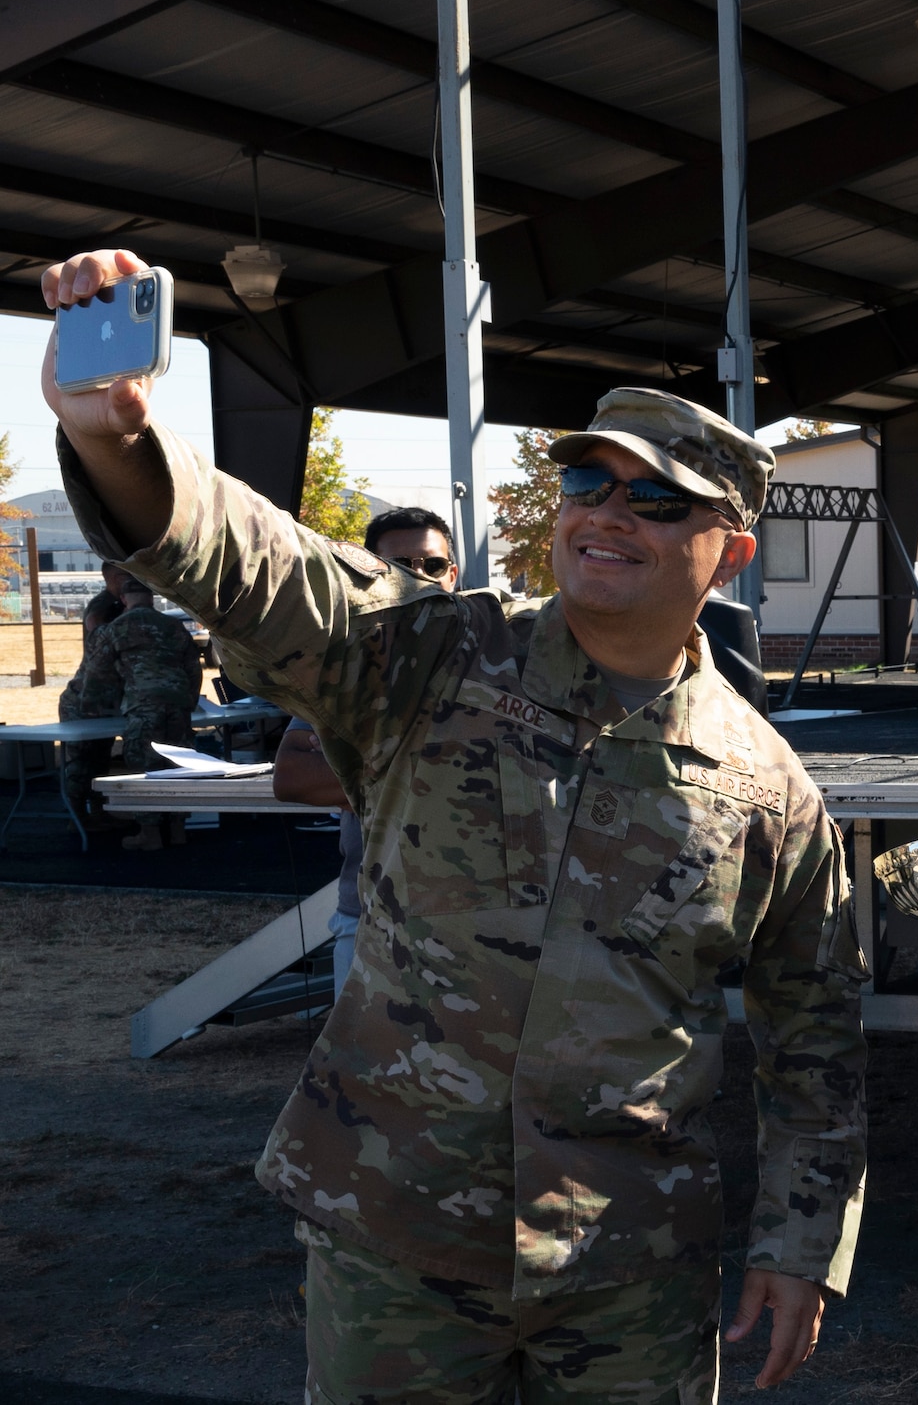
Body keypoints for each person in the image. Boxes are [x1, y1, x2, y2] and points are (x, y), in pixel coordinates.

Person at [44, 248, 866, 1403]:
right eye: (587, 484)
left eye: (656, 498)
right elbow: (264, 569)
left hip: (628, 1269)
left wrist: (799, 1246)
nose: (606, 514)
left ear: (729, 548)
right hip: (397, 1234)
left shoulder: (767, 786)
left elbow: (815, 1040)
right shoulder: (430, 653)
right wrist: (115, 438)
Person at [272, 506, 460, 994]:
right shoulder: (346, 673)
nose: (418, 578)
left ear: (452, 575)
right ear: (370, 575)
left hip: (482, 924)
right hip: (371, 915)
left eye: (432, 566)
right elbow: (292, 776)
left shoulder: (498, 661)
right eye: (399, 567)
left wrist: (361, 760)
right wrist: (451, 762)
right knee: (359, 1071)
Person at [74, 575, 202, 850]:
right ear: (152, 597)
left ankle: (150, 834)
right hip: (178, 704)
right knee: (178, 765)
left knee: (146, 766)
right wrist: (188, 701)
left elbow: (97, 672)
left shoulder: (117, 628)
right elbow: (193, 667)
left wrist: (91, 707)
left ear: (123, 599)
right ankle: (178, 830)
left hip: (143, 705)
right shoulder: (174, 626)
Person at [57, 582, 129, 827]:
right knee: (80, 763)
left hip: (103, 703)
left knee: (99, 760)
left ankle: (98, 812)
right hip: (82, 702)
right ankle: (76, 818)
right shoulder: (102, 615)